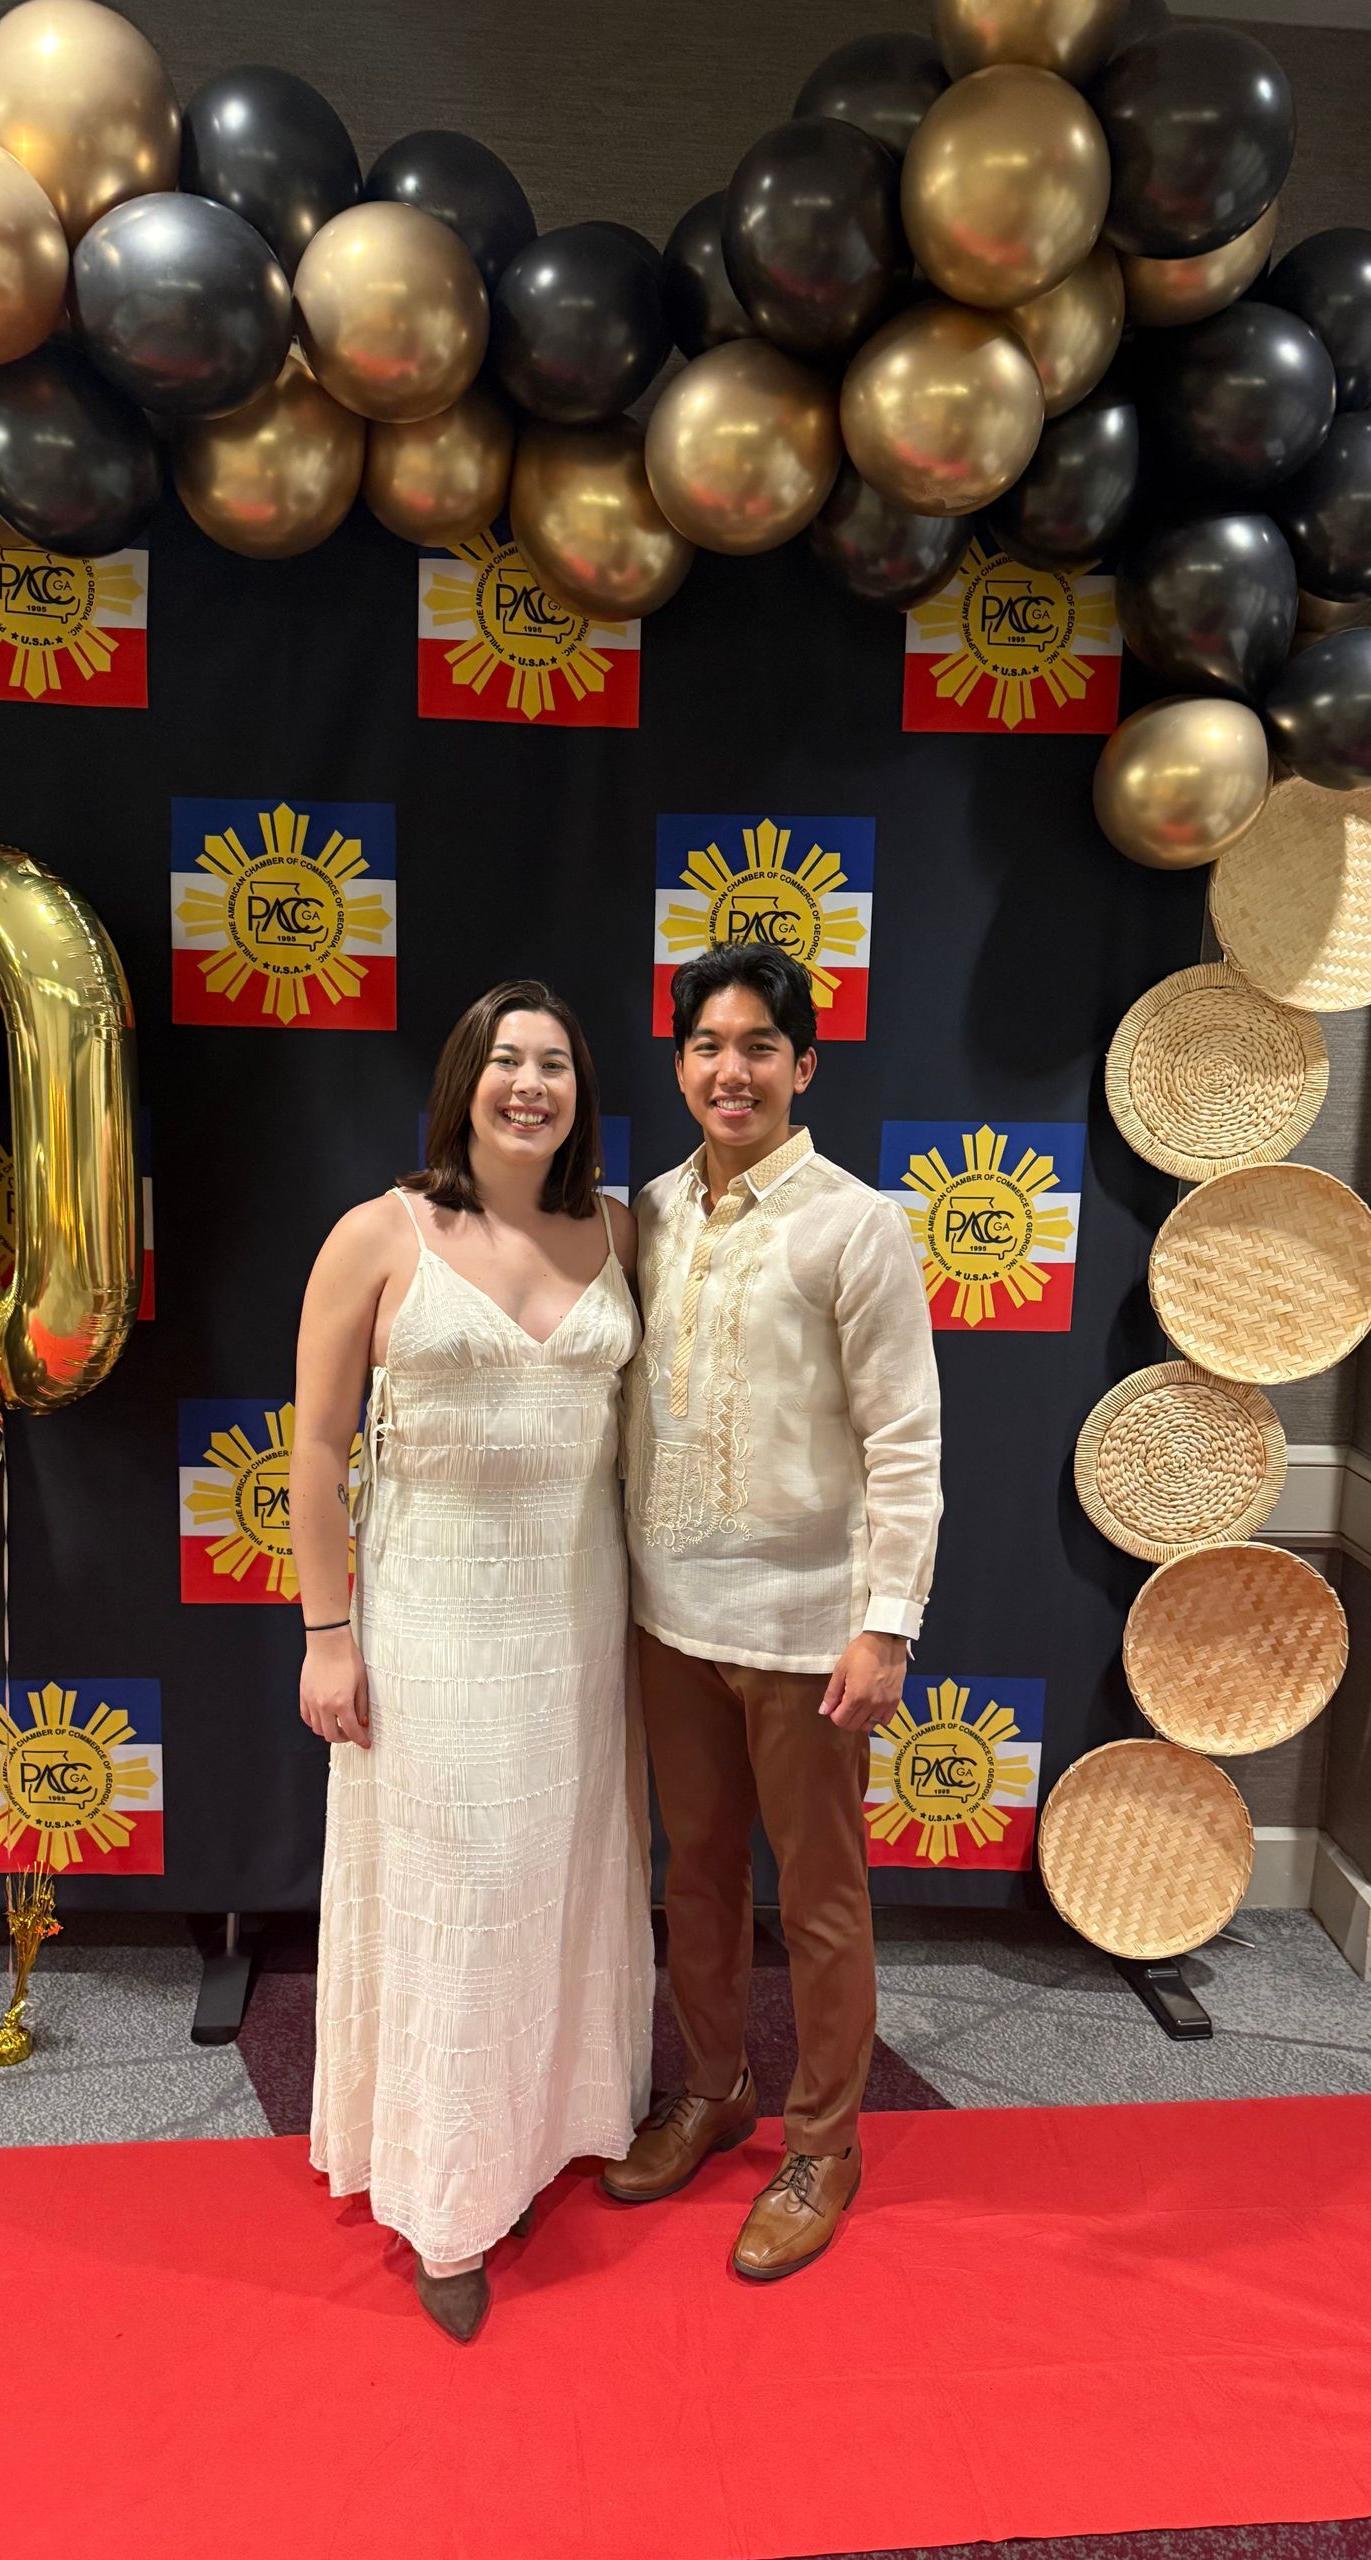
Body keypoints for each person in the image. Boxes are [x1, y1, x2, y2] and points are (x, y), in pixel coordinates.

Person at [290, 981, 653, 2345]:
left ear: (580, 1092)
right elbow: (317, 1452)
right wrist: (330, 1634)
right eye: (506, 1060)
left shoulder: (621, 1232)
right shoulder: (379, 1235)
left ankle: (560, 2126)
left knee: (563, 1875)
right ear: (464, 1082)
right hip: (433, 1625)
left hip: (578, 1624)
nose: (529, 1084)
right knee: (460, 1890)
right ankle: (449, 2198)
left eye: (554, 1063)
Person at [606, 942, 942, 2280]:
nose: (729, 1068)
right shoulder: (651, 1211)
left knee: (817, 1897)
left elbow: (906, 1440)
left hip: (810, 1629)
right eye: (706, 1045)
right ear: (680, 1063)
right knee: (691, 1881)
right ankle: (711, 2087)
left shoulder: (856, 1225)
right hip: (670, 1617)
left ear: (806, 1066)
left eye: (758, 1046)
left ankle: (825, 2141)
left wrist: (888, 1622)